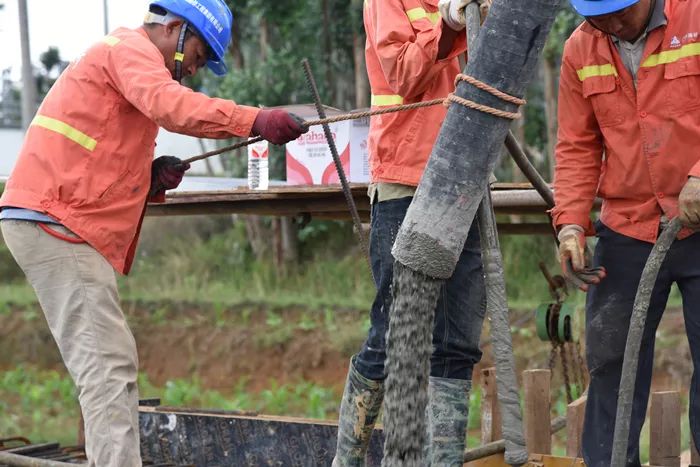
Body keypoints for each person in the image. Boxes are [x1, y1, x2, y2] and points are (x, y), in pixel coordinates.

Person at [0, 1, 306, 465]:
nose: (196, 71)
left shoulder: (120, 56)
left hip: (53, 215)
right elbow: (171, 105)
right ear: (177, 29)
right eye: (200, 56)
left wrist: (146, 177)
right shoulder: (132, 51)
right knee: (107, 369)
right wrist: (255, 119)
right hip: (55, 221)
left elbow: (92, 155)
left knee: (107, 364)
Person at [332, 1, 490, 466]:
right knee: (393, 335)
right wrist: (448, 22)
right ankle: (349, 460)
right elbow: (402, 73)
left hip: (463, 180)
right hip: (406, 182)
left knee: (456, 340)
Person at [553, 0, 700, 464]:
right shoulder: (580, 48)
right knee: (612, 364)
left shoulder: (695, 18)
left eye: (621, 12)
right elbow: (576, 146)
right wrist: (572, 224)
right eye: (599, 16)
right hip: (629, 227)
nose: (612, 24)